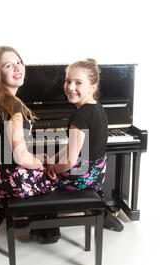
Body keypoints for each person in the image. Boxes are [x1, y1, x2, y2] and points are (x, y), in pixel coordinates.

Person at [0, 46, 59, 249]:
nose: (17, 68)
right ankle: (44, 229)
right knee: (56, 175)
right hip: (14, 183)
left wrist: (35, 157)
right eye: (8, 65)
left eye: (19, 62)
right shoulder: (14, 106)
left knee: (37, 164)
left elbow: (5, 150)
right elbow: (20, 157)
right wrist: (42, 164)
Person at [47, 59, 124, 232]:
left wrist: (52, 168)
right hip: (97, 174)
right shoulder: (97, 108)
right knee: (47, 166)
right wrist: (53, 159)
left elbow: (70, 161)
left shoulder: (80, 117)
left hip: (81, 177)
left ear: (93, 87)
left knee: (38, 177)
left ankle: (47, 226)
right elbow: (75, 148)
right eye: (68, 81)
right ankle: (101, 212)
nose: (71, 87)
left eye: (78, 83)